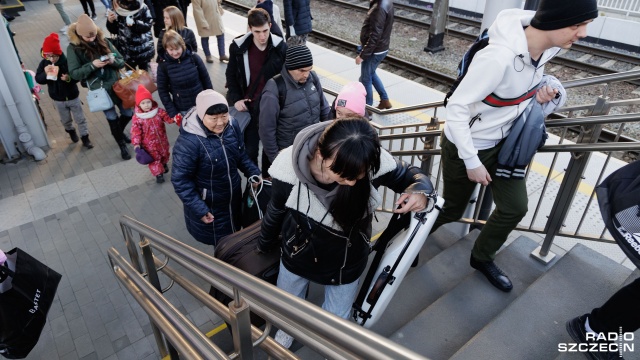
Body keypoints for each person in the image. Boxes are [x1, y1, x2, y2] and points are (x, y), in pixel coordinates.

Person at [429, 0, 598, 292]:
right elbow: (456, 108)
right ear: (555, 20)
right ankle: (408, 234)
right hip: (467, 146)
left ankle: (481, 257)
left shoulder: (548, 47)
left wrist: (540, 98)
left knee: (515, 207)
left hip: (505, 146)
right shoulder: (498, 57)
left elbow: (515, 93)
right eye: (577, 25)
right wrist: (472, 161)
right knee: (453, 208)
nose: (582, 33)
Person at [257, 117, 434, 348]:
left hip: (346, 259)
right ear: (320, 155)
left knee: (337, 318)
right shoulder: (287, 169)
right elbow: (275, 210)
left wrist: (420, 190)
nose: (351, 183)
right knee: (288, 303)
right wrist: (264, 243)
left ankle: (329, 344)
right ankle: (286, 329)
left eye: (358, 175)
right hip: (298, 249)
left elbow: (408, 174)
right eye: (342, 174)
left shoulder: (369, 161)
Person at [171, 90, 261, 245]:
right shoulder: (189, 142)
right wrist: (199, 208)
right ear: (201, 115)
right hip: (210, 206)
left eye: (224, 116)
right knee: (221, 244)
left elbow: (239, 155)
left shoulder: (232, 126)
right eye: (214, 118)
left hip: (233, 196)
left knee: (234, 234)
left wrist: (253, 173)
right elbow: (181, 180)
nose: (220, 122)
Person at [226, 8, 286, 167]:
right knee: (250, 150)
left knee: (270, 150)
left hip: (272, 108)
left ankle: (267, 181)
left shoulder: (280, 47)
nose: (262, 36)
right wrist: (237, 98)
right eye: (257, 31)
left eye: (265, 31)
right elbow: (231, 75)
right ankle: (253, 181)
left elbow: (286, 78)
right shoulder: (238, 47)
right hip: (249, 108)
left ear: (271, 26)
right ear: (250, 29)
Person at [67, 14, 133, 160]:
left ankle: (118, 133)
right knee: (111, 117)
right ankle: (121, 144)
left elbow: (121, 61)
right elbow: (74, 74)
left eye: (94, 35)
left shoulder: (104, 40)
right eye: (88, 37)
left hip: (117, 86)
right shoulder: (73, 49)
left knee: (128, 114)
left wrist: (112, 61)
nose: (92, 39)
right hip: (100, 90)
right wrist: (92, 65)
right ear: (79, 35)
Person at [259, 45, 330, 177]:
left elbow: (324, 110)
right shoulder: (274, 88)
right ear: (289, 67)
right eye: (302, 70)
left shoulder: (313, 78)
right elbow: (266, 130)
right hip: (287, 155)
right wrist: (276, 159)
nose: (306, 75)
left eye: (309, 70)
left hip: (311, 151)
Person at [35, 33, 93, 149]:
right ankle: (71, 131)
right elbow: (38, 79)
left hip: (72, 96)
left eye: (54, 56)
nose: (52, 59)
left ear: (59, 53)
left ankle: (85, 138)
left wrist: (68, 79)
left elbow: (77, 76)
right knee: (65, 120)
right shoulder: (44, 64)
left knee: (80, 119)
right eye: (49, 56)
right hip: (58, 99)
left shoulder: (67, 62)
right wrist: (45, 73)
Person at [157, 30, 213, 122]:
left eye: (177, 48)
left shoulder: (194, 58)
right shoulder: (163, 66)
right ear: (166, 49)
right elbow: (163, 91)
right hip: (183, 109)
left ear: (182, 45)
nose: (175, 53)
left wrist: (211, 99)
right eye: (171, 50)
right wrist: (173, 112)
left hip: (202, 103)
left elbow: (206, 79)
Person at [130, 85, 175, 183]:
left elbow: (167, 118)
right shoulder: (137, 118)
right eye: (143, 103)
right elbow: (135, 132)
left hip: (162, 141)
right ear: (138, 104)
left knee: (164, 154)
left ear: (152, 102)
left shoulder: (158, 112)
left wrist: (174, 118)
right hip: (149, 145)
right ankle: (158, 174)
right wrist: (136, 143)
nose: (146, 105)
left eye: (148, 102)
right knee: (154, 159)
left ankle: (163, 163)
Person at [356, 0, 393, 110]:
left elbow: (375, 35)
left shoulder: (379, 8)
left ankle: (368, 109)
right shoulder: (385, 2)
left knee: (365, 79)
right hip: (381, 48)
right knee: (371, 74)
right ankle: (385, 100)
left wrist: (362, 55)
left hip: (374, 51)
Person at [106, 0, 155, 71]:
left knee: (144, 75)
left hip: (142, 49)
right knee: (131, 77)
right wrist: (111, 21)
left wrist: (135, 23)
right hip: (127, 51)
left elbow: (148, 25)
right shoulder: (118, 8)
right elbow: (114, 30)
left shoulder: (142, 7)